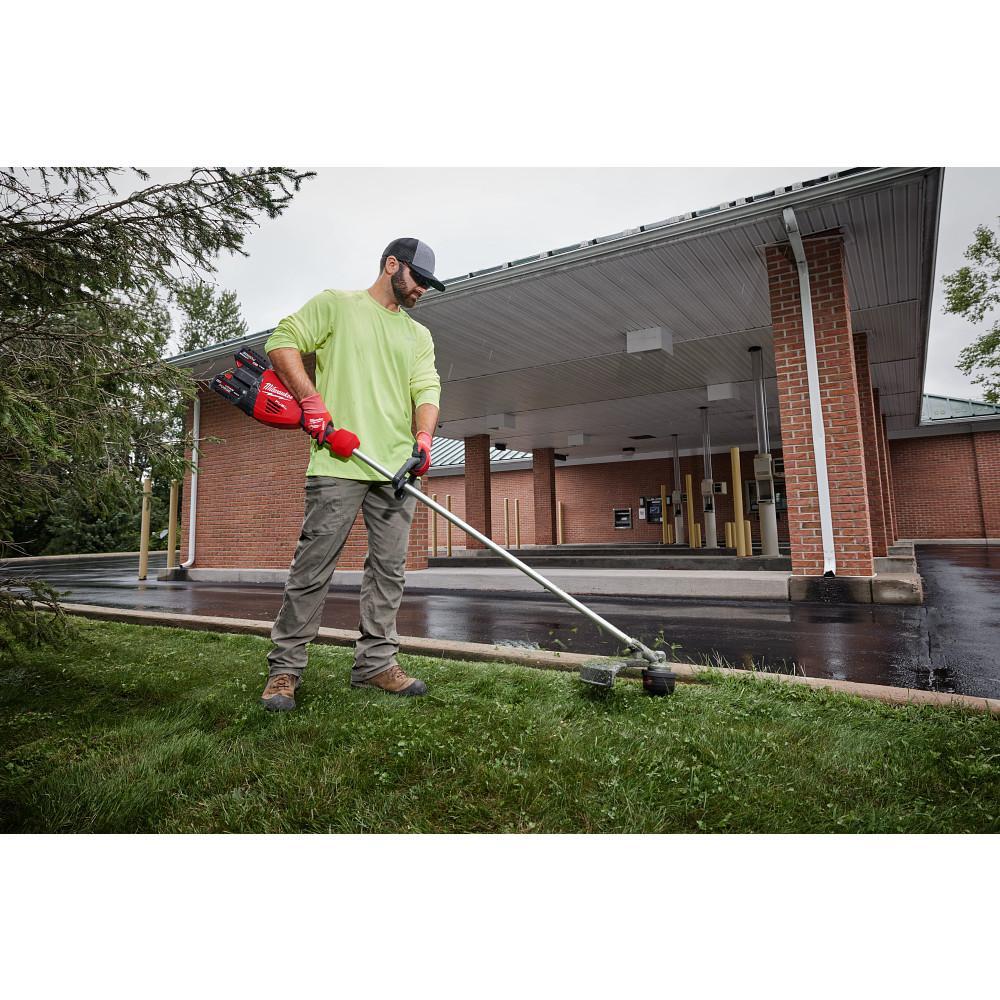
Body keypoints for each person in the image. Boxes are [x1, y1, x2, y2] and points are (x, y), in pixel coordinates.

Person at [259, 238, 444, 711]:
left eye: (428, 284)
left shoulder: (418, 335)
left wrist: (424, 440)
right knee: (312, 568)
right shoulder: (337, 306)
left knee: (389, 571)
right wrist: (311, 402)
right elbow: (281, 342)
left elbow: (426, 388)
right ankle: (285, 669)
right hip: (338, 461)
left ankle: (375, 664)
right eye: (419, 279)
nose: (422, 289)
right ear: (392, 265)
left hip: (395, 469)